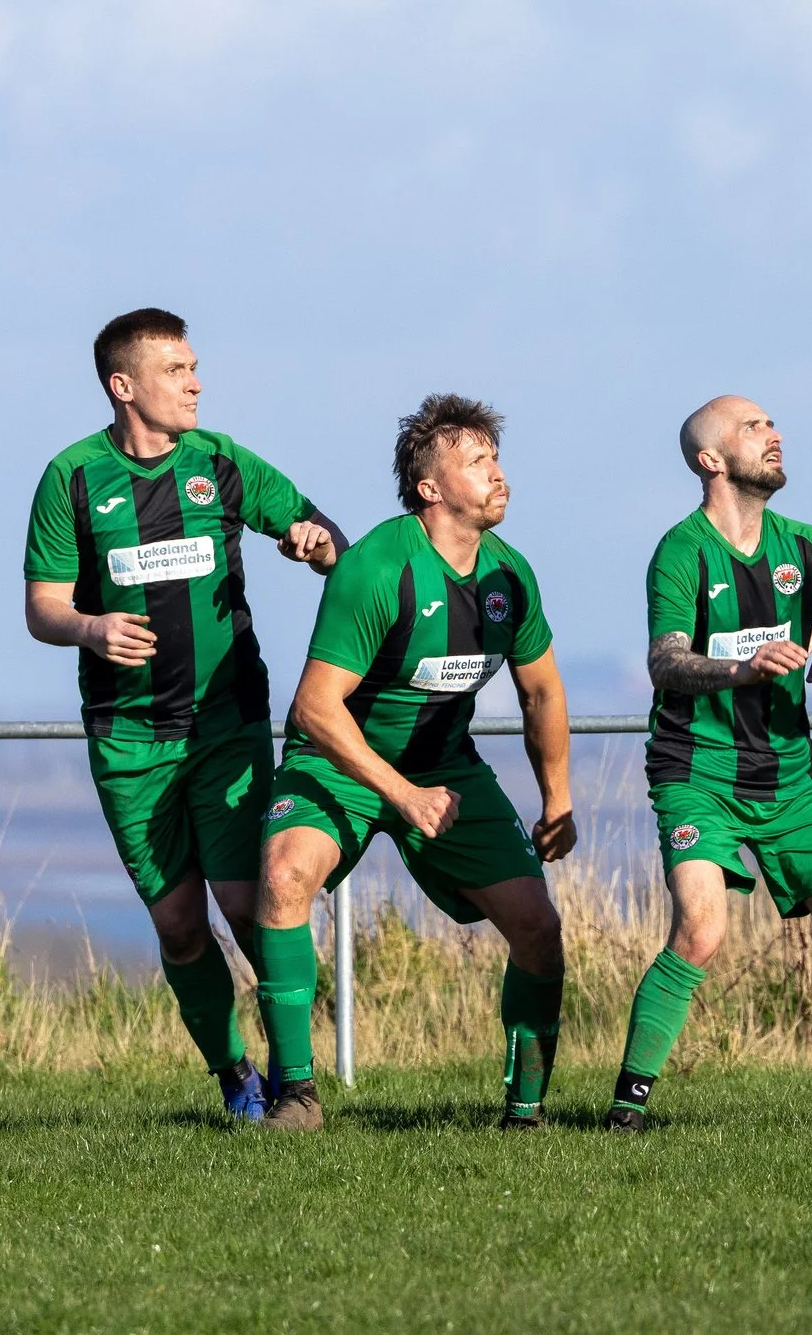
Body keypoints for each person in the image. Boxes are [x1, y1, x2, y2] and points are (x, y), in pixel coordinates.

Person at [23, 308, 347, 1124]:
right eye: (177, 370)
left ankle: (295, 1081)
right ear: (123, 386)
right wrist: (89, 628)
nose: (196, 382)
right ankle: (233, 1074)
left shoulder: (221, 462)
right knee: (178, 926)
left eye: (196, 367)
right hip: (128, 739)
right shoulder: (71, 477)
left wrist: (316, 545)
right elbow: (42, 607)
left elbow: (330, 539)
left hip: (228, 728)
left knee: (251, 905)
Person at [251, 395, 573, 1132]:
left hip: (447, 766)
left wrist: (558, 800)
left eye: (496, 458)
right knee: (284, 877)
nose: (498, 474)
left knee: (538, 928)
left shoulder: (510, 577)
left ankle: (524, 1115)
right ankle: (297, 1096)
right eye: (477, 462)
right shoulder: (376, 566)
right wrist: (402, 796)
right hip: (340, 759)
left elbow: (544, 690)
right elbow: (314, 709)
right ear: (431, 490)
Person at [605, 396, 812, 1131]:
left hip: (788, 780)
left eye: (773, 424)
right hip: (697, 773)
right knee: (701, 930)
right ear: (712, 460)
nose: (774, 435)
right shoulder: (681, 551)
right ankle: (625, 1111)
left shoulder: (804, 548)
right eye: (753, 428)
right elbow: (665, 662)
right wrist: (743, 669)